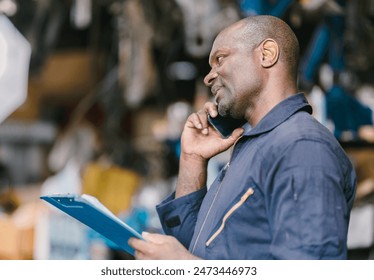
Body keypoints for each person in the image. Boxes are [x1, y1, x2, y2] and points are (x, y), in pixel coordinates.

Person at [129, 15, 357, 259]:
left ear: (267, 53)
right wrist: (192, 159)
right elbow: (196, 249)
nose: (208, 77)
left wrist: (185, 267)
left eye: (220, 59)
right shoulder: (257, 146)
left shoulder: (302, 147)